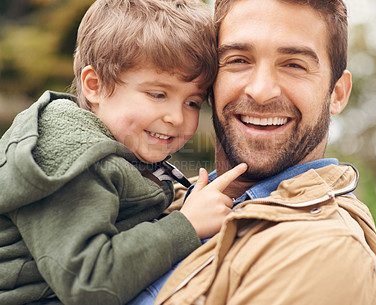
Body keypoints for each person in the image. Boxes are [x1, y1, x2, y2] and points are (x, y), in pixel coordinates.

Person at [0, 0, 248, 304]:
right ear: (96, 86)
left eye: (192, 102)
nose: (177, 117)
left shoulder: (122, 154)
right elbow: (88, 284)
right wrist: (187, 225)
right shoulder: (75, 161)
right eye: (158, 94)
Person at [151, 0, 376, 304]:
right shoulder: (158, 201)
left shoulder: (323, 252)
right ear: (209, 81)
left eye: (294, 65)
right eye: (239, 60)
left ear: (337, 93)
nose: (261, 90)